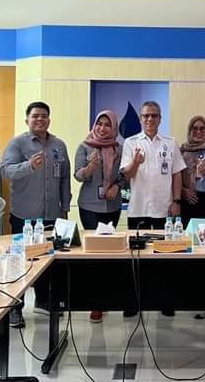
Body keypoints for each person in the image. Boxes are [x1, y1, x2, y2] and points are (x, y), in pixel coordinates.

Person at [1, 101, 71, 328]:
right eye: (35, 116)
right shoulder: (17, 143)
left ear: (49, 120)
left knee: (46, 260)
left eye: (44, 116)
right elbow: (5, 171)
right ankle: (15, 309)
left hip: (51, 214)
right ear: (27, 120)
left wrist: (65, 208)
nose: (40, 119)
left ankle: (43, 300)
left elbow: (65, 178)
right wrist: (29, 166)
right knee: (21, 261)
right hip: (24, 215)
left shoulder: (58, 145)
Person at [74, 110, 125, 323]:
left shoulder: (119, 148)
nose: (102, 128)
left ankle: (105, 297)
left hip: (112, 206)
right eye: (99, 124)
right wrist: (90, 167)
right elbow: (78, 175)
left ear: (113, 128)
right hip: (89, 206)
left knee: (108, 252)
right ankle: (95, 303)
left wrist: (117, 185)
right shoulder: (84, 146)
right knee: (93, 252)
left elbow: (125, 174)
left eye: (107, 125)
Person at [120, 101, 186, 231]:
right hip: (138, 209)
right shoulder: (130, 142)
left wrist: (177, 202)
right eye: (146, 116)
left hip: (163, 209)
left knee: (163, 243)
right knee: (137, 243)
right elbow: (127, 175)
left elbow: (177, 174)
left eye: (154, 116)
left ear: (160, 119)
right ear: (140, 119)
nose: (150, 119)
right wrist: (136, 162)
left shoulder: (170, 143)